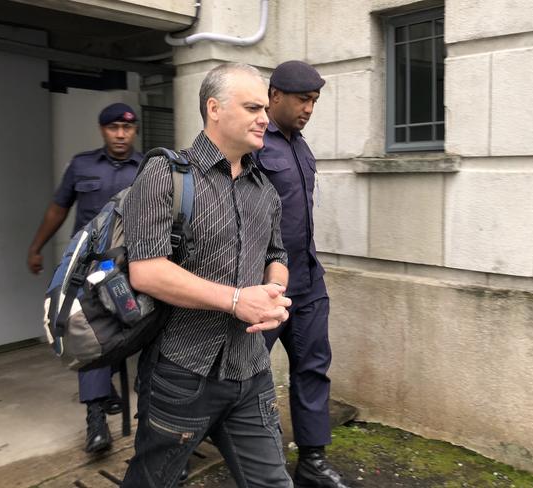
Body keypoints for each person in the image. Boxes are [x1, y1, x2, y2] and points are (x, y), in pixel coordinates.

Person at [120, 63, 294, 488]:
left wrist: (273, 293)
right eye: (252, 107)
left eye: (265, 109)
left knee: (274, 483)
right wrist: (236, 300)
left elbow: (277, 254)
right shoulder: (166, 174)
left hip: (250, 370)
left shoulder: (265, 189)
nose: (264, 119)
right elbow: (147, 271)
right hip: (182, 371)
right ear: (214, 108)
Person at [254, 60, 349, 488]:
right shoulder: (255, 142)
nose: (309, 108)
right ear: (274, 96)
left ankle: (311, 461)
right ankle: (187, 445)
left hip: (307, 281)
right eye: (302, 99)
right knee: (243, 374)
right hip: (262, 285)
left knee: (312, 369)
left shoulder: (301, 146)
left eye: (314, 101)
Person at [27, 102, 142, 453]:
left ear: (134, 130)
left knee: (134, 330)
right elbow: (58, 208)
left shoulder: (148, 167)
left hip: (132, 268)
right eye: (113, 128)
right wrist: (37, 247)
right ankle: (96, 420)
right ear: (102, 130)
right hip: (90, 269)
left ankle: (128, 400)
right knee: (90, 333)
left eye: (127, 128)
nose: (120, 135)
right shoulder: (82, 165)